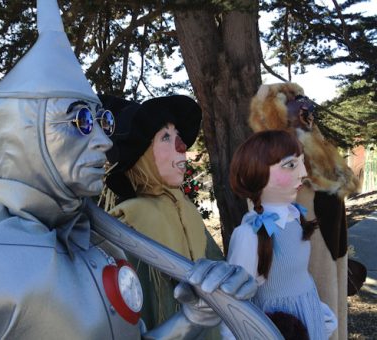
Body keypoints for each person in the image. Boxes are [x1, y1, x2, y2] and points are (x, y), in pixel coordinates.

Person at [0, 1, 258, 339]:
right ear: (24, 134)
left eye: (102, 121)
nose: (101, 140)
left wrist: (193, 317)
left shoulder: (102, 249)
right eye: (81, 120)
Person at [99, 94, 227, 337]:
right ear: (142, 156)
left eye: (177, 136)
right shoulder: (130, 220)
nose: (182, 146)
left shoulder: (185, 208)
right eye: (166, 137)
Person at [249, 82, 360, 340]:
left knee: (332, 317)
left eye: (305, 104)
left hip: (331, 255)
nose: (305, 112)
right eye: (295, 106)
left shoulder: (319, 152)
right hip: (297, 273)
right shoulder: (271, 164)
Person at [221, 130, 337, 340]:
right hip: (279, 329)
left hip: (308, 319)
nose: (303, 172)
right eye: (290, 165)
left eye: (301, 162)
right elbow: (232, 301)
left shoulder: (294, 218)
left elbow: (299, 277)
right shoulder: (249, 235)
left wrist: (319, 313)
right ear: (257, 171)